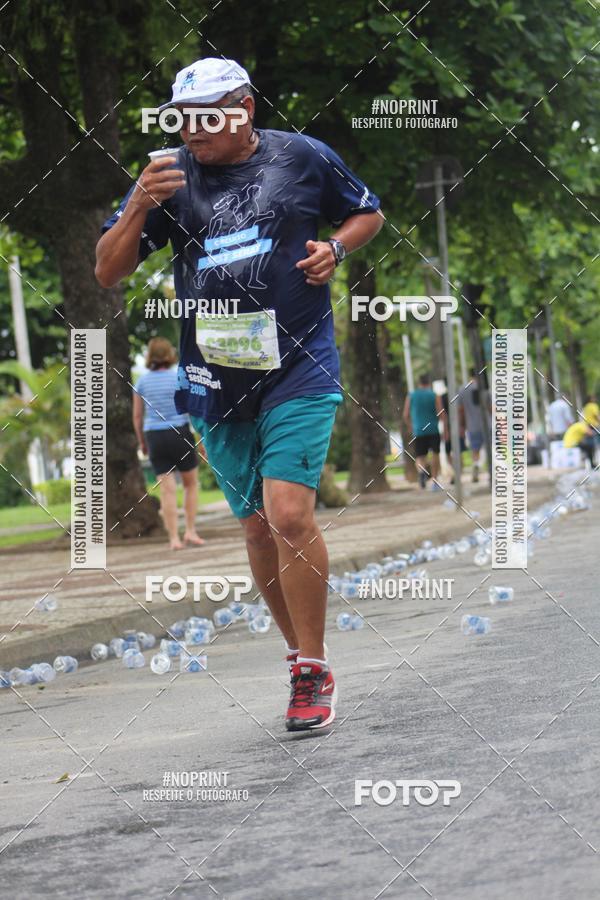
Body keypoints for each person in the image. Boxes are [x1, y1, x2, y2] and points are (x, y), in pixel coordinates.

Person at [96, 57, 383, 732]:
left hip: (300, 362)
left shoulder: (304, 157)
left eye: (206, 115)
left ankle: (314, 669)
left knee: (287, 515)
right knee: (255, 526)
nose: (192, 130)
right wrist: (138, 203)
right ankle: (297, 656)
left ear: (244, 108)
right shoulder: (167, 177)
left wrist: (335, 251)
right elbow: (107, 271)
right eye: (182, 117)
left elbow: (367, 213)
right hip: (215, 376)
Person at [132, 337, 205, 551]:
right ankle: (190, 531)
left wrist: (142, 442)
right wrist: (200, 437)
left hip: (155, 436)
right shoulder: (179, 378)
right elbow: (192, 410)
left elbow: (137, 417)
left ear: (150, 357)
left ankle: (174, 538)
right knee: (191, 484)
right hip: (179, 433)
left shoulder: (142, 382)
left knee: (167, 490)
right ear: (169, 355)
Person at [403, 374, 444, 490]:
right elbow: (441, 413)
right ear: (428, 383)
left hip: (419, 430)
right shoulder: (434, 395)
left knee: (420, 456)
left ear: (419, 383)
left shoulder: (411, 395)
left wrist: (411, 427)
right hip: (433, 429)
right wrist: (445, 429)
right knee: (435, 454)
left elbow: (405, 415)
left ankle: (421, 472)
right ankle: (435, 482)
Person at [458, 368, 488, 483]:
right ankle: (489, 469)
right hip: (487, 425)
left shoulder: (462, 390)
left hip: (471, 425)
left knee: (475, 450)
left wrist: (462, 425)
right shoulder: (484, 389)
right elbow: (491, 408)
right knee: (490, 448)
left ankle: (476, 464)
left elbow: (460, 410)